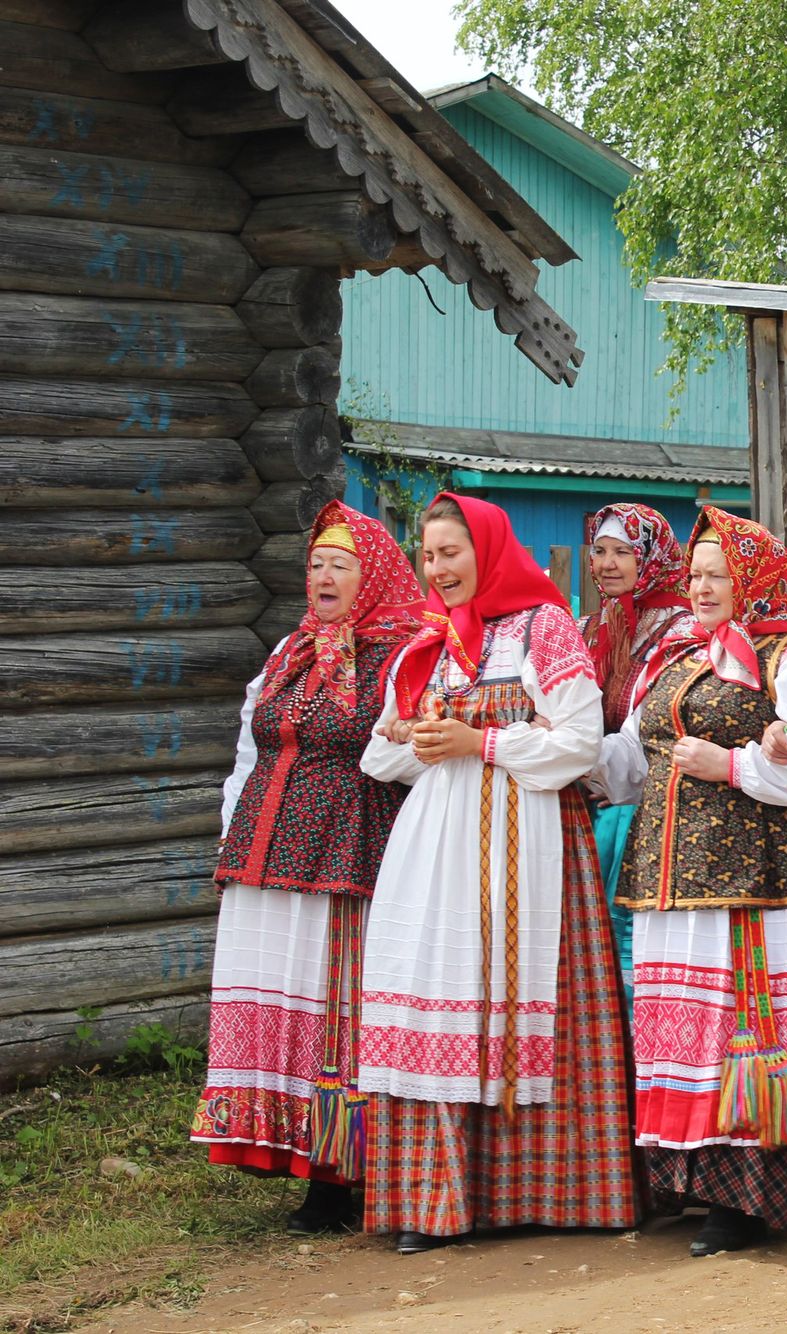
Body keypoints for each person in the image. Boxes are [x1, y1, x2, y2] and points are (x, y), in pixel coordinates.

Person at [357, 493, 635, 1253]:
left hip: (528, 839)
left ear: (486, 551)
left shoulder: (541, 627)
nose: (437, 568)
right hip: (440, 845)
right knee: (438, 991)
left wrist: (479, 745)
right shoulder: (426, 643)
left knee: (520, 992)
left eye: (451, 553)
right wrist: (410, 735)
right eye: (428, 554)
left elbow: (580, 739)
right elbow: (380, 759)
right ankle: (437, 1200)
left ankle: (551, 1192)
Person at [595, 508, 787, 1256]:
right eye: (697, 575)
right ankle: (689, 1180)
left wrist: (735, 765)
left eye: (720, 574)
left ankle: (745, 1197)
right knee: (681, 1029)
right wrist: (567, 752)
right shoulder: (678, 655)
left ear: (753, 579)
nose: (704, 587)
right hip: (671, 874)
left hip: (757, 878)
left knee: (747, 1028)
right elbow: (633, 759)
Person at [192, 503, 424, 1233]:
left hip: (344, 855)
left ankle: (338, 1177)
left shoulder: (402, 655)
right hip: (266, 853)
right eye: (317, 563)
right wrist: (234, 835)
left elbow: (408, 754)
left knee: (331, 1011)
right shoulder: (289, 652)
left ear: (375, 576)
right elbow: (247, 749)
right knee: (270, 999)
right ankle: (280, 1149)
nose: (323, 576)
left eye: (341, 564)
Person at [578, 503, 689, 1004]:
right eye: (600, 551)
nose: (607, 563)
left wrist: (573, 758)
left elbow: (651, 731)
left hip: (645, 811)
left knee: (628, 942)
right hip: (588, 804)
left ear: (653, 557)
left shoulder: (680, 632)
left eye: (623, 551)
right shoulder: (590, 628)